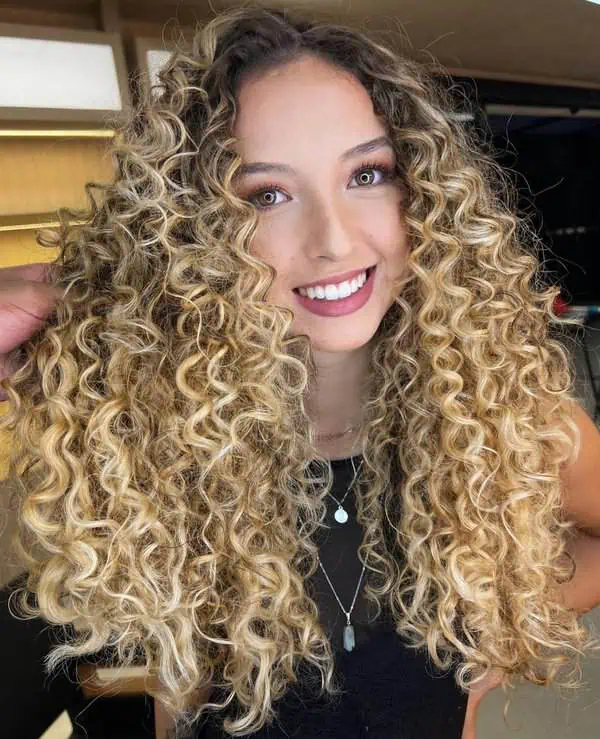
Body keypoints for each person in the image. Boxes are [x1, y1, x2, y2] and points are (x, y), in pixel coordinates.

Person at [2, 6, 600, 739]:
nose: (334, 239)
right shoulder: (138, 443)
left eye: (368, 174)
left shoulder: (506, 418)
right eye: (267, 195)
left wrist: (490, 638)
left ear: (423, 196)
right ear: (190, 232)